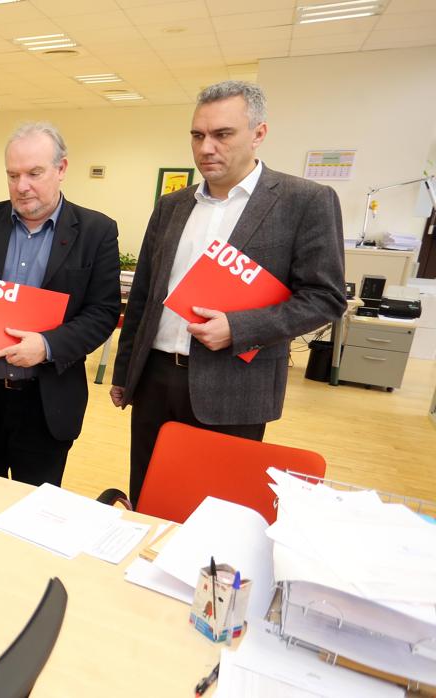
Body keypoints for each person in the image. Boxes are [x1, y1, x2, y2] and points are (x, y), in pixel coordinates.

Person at [110, 81, 346, 504]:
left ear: (259, 134)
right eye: (198, 136)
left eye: (222, 135)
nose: (206, 148)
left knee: (214, 507)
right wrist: (125, 373)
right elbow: (145, 293)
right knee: (147, 497)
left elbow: (325, 297)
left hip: (235, 384)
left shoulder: (304, 201)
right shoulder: (172, 205)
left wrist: (238, 328)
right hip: (156, 380)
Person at [0, 122, 121, 486]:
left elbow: (102, 313)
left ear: (61, 169)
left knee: (34, 514)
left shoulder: (97, 231)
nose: (22, 186)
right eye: (13, 175)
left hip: (46, 405)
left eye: (34, 173)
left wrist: (48, 345)